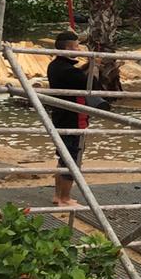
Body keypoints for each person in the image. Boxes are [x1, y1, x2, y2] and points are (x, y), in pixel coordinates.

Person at [45, 30, 89, 206]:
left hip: (60, 116)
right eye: (77, 46)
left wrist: (87, 66)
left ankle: (58, 195)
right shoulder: (68, 71)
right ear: (70, 47)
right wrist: (95, 68)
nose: (79, 49)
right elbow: (88, 84)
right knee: (71, 158)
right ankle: (65, 198)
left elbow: (76, 75)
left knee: (63, 157)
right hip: (73, 118)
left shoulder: (55, 66)